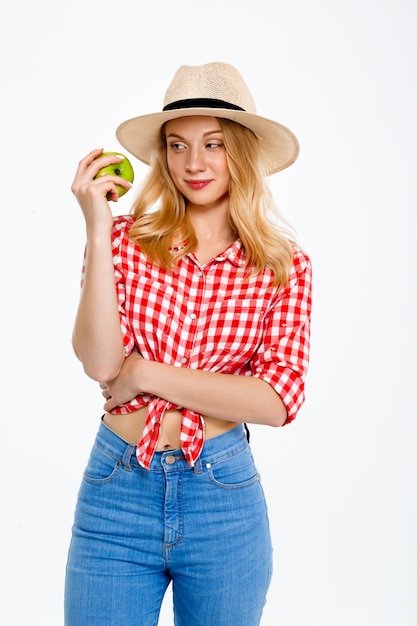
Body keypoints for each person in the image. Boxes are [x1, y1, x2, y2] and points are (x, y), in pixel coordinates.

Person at [64, 61, 312, 626]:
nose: (193, 163)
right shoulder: (124, 241)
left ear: (243, 153)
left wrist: (147, 374)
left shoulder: (283, 265)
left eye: (213, 144)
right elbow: (100, 362)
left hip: (222, 496)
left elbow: (278, 400)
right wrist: (98, 227)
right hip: (116, 488)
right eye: (177, 146)